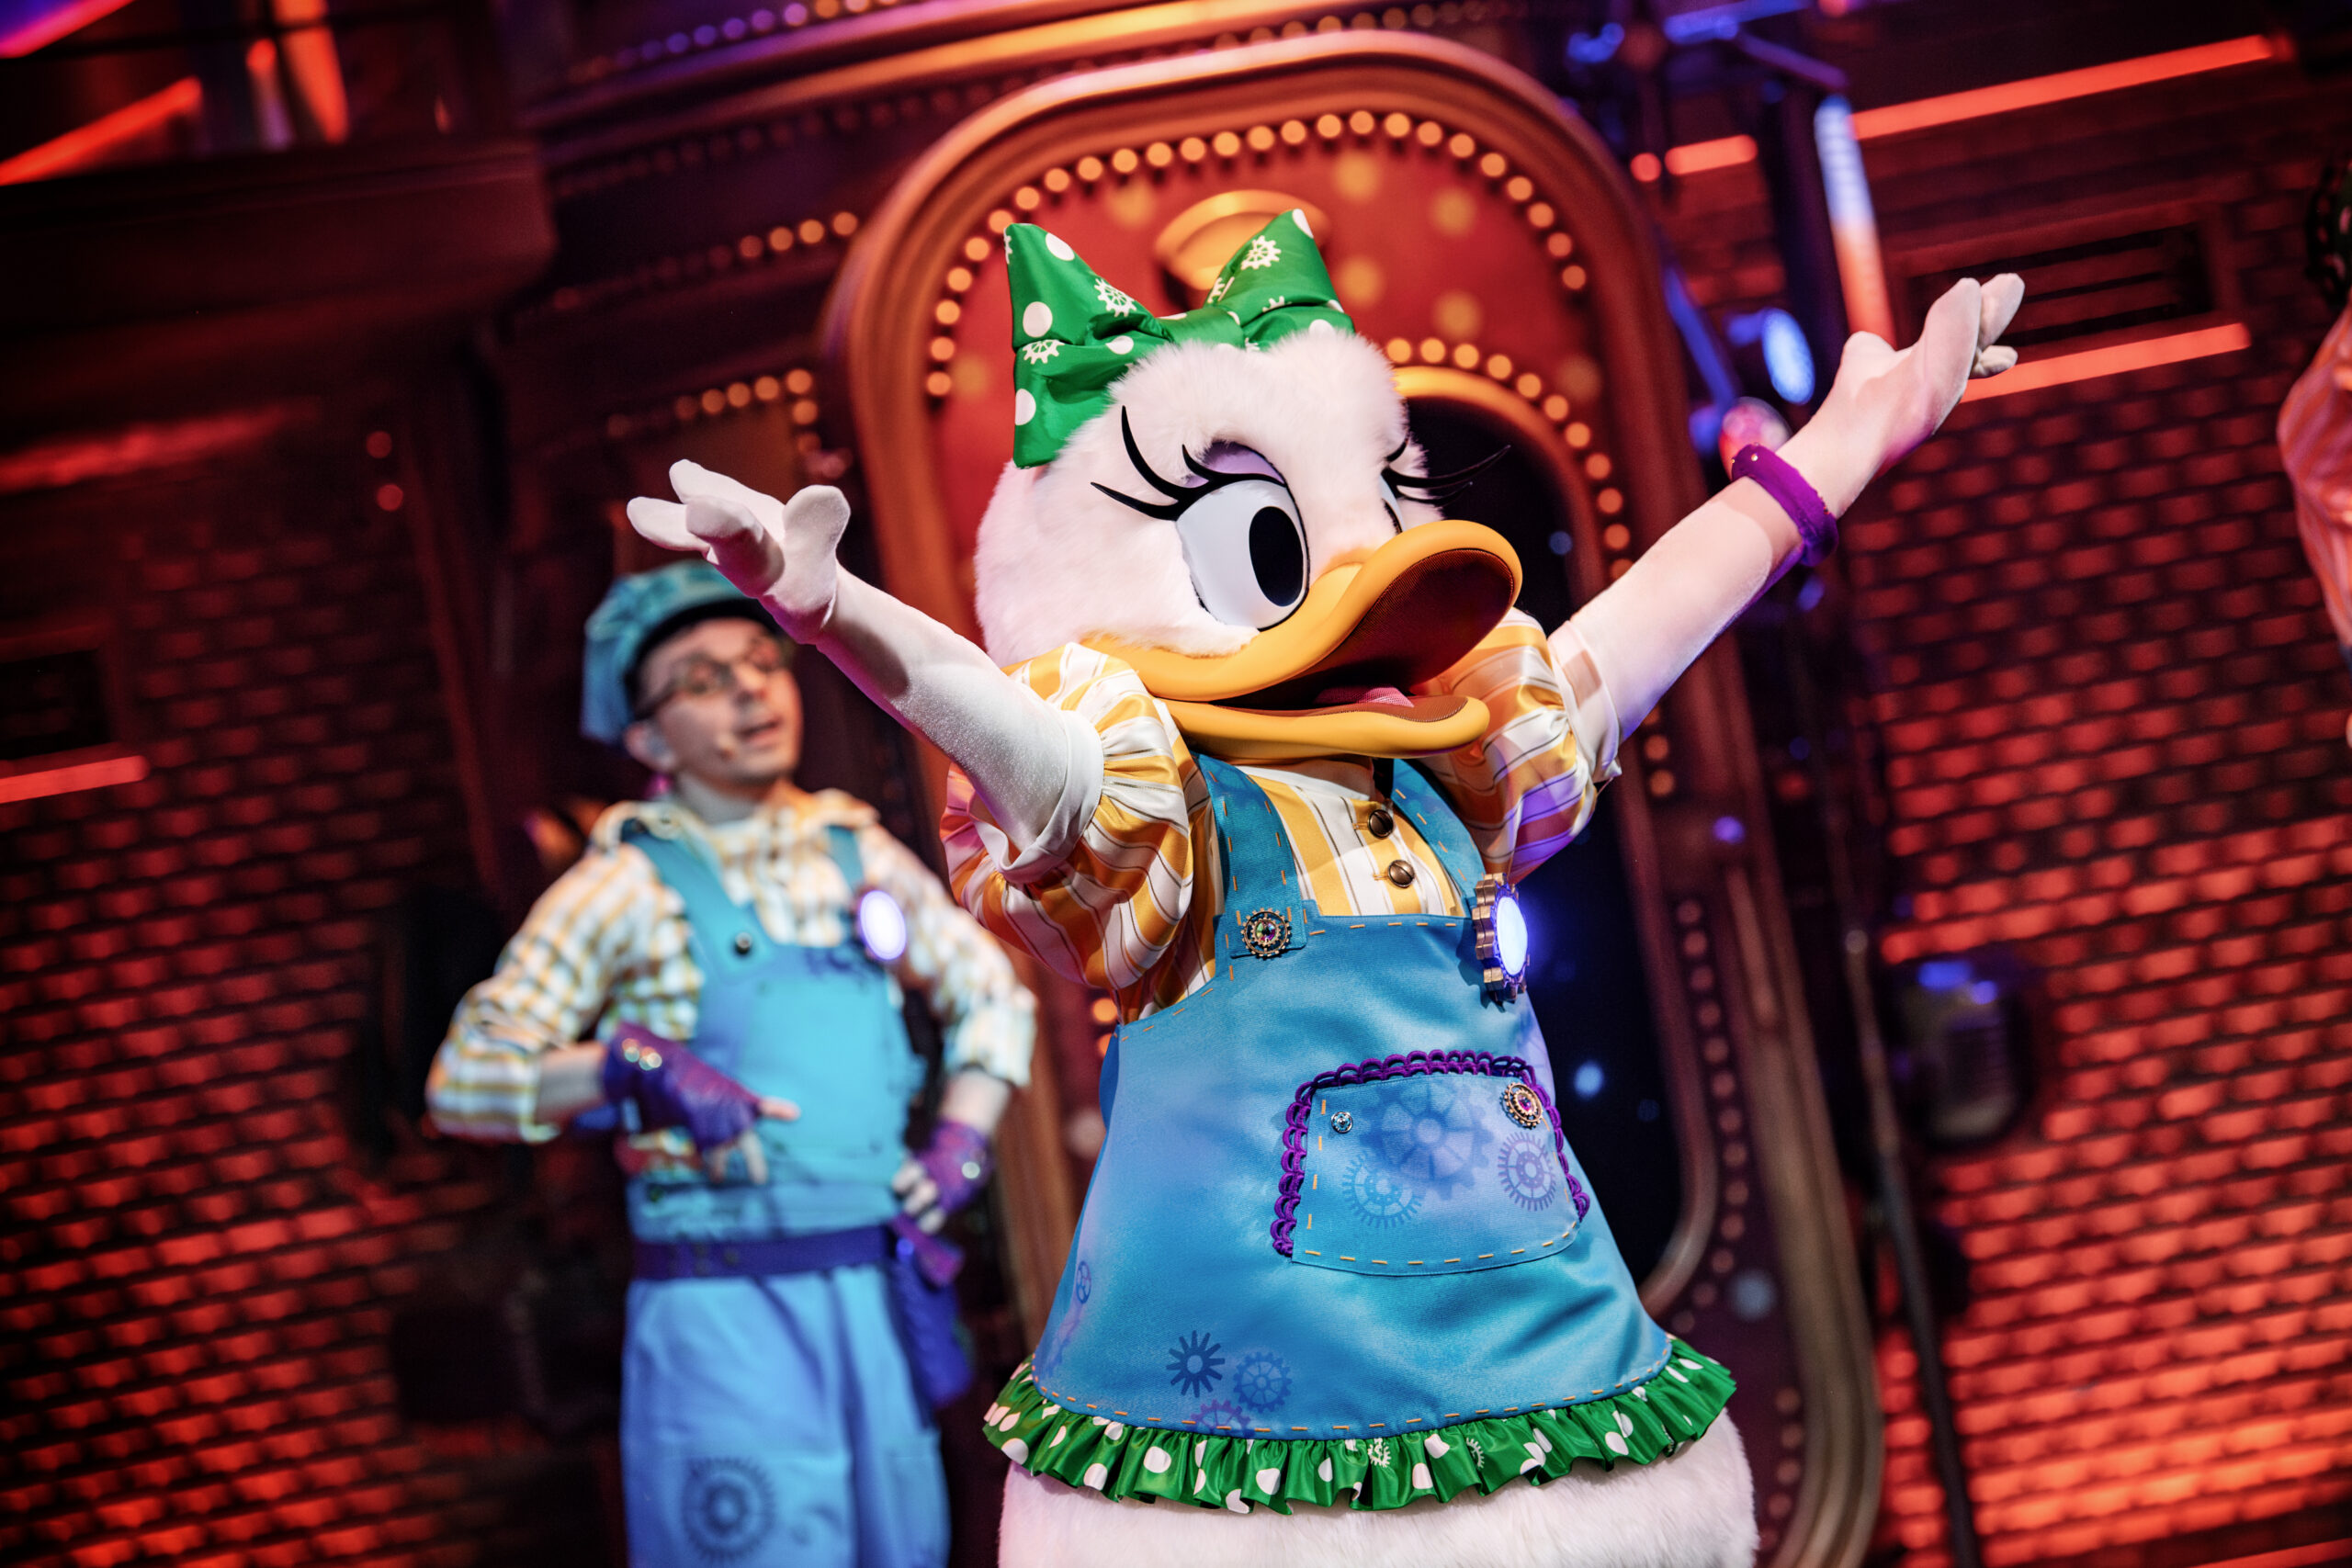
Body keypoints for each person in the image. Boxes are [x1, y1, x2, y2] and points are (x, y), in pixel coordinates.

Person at [620, 209, 2020, 1567]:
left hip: (1540, 1361)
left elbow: (1654, 615)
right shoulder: (1149, 803)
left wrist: (1848, 439)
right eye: (1282, 544)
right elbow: (1004, 731)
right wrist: (835, 613)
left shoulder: (1460, 763)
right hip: (1260, 1433)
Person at [425, 558, 1035, 1568]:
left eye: (761, 660)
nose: (751, 690)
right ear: (648, 739)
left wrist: (959, 1145)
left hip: (868, 1293)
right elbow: (463, 1081)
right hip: (723, 1311)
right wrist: (626, 1069)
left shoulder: (853, 853)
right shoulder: (623, 886)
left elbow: (992, 997)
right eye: (704, 680)